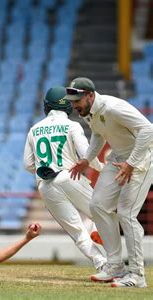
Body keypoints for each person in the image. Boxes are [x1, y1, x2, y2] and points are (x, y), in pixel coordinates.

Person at [66, 77, 153, 288]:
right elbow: (98, 134)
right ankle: (115, 265)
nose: (74, 105)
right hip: (117, 160)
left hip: (141, 160)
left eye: (77, 100)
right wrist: (87, 159)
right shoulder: (89, 112)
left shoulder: (113, 108)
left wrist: (131, 163)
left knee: (126, 214)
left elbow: (148, 130)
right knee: (98, 205)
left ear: (90, 95)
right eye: (72, 101)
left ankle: (137, 275)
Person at [23, 86, 107, 272]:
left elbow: (27, 164)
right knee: (103, 212)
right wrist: (103, 168)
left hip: (46, 185)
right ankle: (98, 234)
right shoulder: (72, 126)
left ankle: (102, 263)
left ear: (47, 106)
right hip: (71, 176)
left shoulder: (34, 129)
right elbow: (88, 155)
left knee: (77, 232)